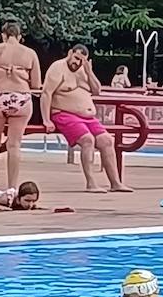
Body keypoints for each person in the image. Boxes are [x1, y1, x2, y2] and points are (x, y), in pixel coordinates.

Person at [42, 45, 134, 193]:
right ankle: (91, 183)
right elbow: (46, 94)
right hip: (64, 113)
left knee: (106, 140)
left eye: (82, 61)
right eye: (76, 58)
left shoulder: (84, 71)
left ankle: (116, 183)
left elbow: (97, 91)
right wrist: (46, 119)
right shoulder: (58, 67)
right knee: (88, 139)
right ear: (70, 53)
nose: (77, 63)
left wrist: (89, 71)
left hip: (88, 117)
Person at [0, 21, 41, 190]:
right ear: (20, 37)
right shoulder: (30, 53)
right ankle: (12, 186)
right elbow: (36, 84)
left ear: (3, 35)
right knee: (14, 144)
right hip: (21, 98)